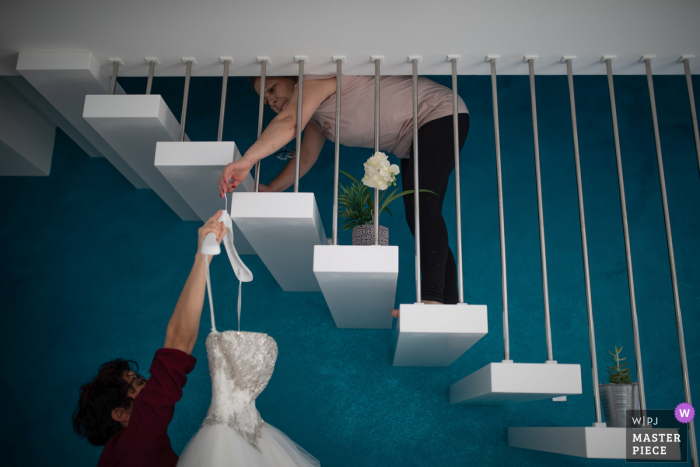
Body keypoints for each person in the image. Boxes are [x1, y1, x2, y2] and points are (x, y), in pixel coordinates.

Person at [218, 74, 469, 312]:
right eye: (265, 99)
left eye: (272, 88)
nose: (270, 100)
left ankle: (432, 299)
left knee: (422, 205)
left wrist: (248, 160)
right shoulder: (317, 116)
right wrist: (272, 188)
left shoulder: (314, 82)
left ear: (295, 77)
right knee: (420, 213)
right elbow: (305, 157)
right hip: (415, 137)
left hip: (436, 113)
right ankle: (448, 302)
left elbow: (289, 123)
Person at [72, 212, 227, 467]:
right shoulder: (136, 444)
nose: (152, 386)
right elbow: (178, 341)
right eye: (140, 384)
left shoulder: (119, 454)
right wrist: (203, 256)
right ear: (122, 413)